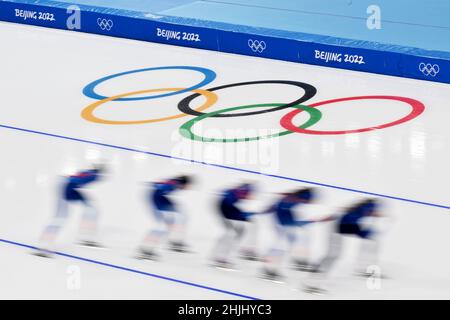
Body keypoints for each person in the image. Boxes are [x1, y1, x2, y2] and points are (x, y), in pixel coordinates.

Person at [304, 198, 384, 294]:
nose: (372, 213)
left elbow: (353, 225)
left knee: (333, 255)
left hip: (336, 229)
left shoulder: (358, 211)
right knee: (333, 255)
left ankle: (313, 278)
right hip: (336, 230)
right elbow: (349, 229)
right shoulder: (353, 216)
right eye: (371, 211)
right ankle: (312, 282)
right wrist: (367, 234)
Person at [36, 164, 105, 257]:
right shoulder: (94, 176)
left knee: (91, 209)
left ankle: (86, 237)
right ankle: (43, 247)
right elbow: (72, 182)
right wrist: (69, 197)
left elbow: (74, 180)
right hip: (65, 188)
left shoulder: (89, 172)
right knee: (60, 218)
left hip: (67, 185)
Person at [261, 188, 320, 281]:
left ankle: (297, 259)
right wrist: (301, 223)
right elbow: (283, 219)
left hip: (285, 223)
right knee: (281, 246)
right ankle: (268, 268)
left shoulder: (293, 199)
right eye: (306, 200)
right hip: (281, 224)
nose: (306, 203)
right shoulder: (287, 203)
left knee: (294, 241)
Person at [137, 175, 193, 260]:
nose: (188, 188)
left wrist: (171, 204)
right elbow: (157, 191)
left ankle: (174, 240)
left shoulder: (174, 183)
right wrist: (165, 207)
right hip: (156, 200)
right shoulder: (173, 185)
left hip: (159, 199)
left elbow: (158, 186)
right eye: (188, 185)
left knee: (176, 219)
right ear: (184, 183)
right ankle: (146, 248)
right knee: (162, 227)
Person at [211, 182, 256, 269]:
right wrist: (244, 216)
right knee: (230, 234)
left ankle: (221, 256)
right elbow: (230, 211)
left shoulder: (235, 195)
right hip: (223, 210)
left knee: (238, 232)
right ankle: (219, 257)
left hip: (226, 209)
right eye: (248, 195)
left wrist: (244, 216)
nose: (250, 197)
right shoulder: (231, 197)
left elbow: (235, 210)